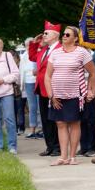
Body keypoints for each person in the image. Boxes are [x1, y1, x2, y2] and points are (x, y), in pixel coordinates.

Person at [44, 25, 95, 166]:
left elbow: (92, 72)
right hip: (57, 95)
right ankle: (63, 157)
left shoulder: (82, 52)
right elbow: (47, 76)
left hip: (75, 94)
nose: (64, 36)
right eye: (64, 34)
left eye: (67, 35)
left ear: (75, 38)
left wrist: (92, 91)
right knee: (60, 124)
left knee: (74, 123)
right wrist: (51, 95)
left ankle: (72, 156)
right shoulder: (55, 53)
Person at [28, 22, 62, 157]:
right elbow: (32, 57)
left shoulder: (60, 48)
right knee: (45, 120)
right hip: (41, 89)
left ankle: (58, 147)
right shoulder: (43, 49)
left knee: (55, 120)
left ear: (55, 36)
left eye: (46, 33)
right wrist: (34, 44)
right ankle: (50, 146)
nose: (44, 35)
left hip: (54, 88)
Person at [20, 39, 41, 138]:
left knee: (40, 107)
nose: (28, 47)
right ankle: (32, 129)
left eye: (30, 45)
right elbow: (21, 71)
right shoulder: (23, 56)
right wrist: (21, 85)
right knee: (32, 107)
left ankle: (42, 129)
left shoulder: (39, 52)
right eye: (26, 45)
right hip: (28, 82)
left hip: (38, 82)